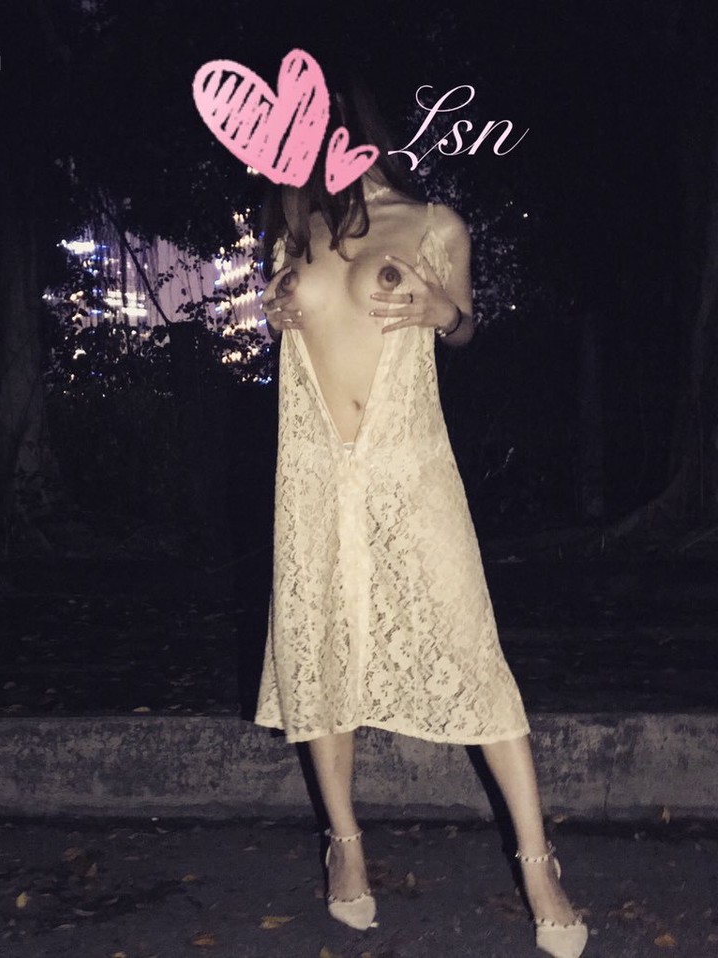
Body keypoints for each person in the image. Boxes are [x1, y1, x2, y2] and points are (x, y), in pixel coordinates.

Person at [254, 80, 588, 958]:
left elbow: (464, 327)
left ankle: (539, 864)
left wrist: (446, 312)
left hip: (410, 469)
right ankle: (346, 846)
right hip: (317, 476)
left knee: (474, 649)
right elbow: (296, 328)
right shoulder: (296, 231)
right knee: (322, 649)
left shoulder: (434, 223)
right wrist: (278, 308)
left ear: (352, 127)